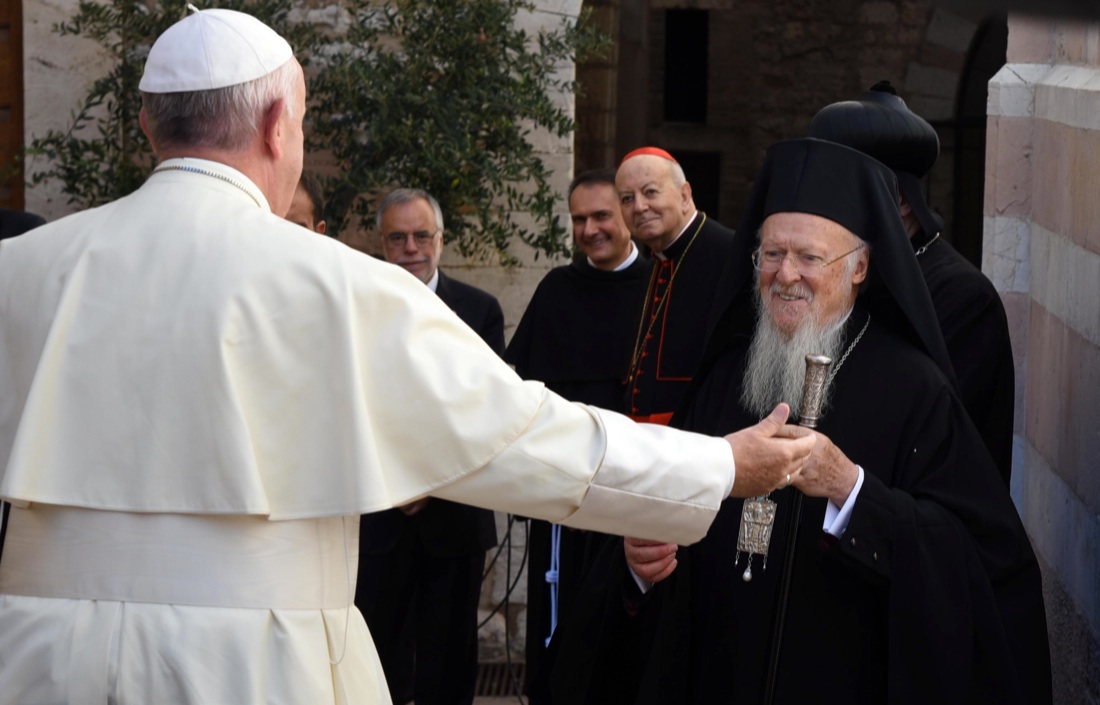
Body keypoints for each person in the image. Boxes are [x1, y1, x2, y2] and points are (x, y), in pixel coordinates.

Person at [0, 9, 816, 704]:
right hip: (251, 666)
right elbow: (520, 437)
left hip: (32, 658)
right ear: (277, 125)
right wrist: (716, 466)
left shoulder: (18, 271)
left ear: (146, 123)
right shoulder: (344, 285)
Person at [547, 138, 1051, 705]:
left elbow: (977, 561)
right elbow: (665, 527)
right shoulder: (724, 376)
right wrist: (637, 566)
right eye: (770, 254)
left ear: (860, 265)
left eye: (810, 257)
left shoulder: (915, 389)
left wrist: (851, 490)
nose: (786, 275)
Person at [810, 80, 1016, 485]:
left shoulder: (965, 298)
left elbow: (941, 442)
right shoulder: (844, 268)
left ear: (902, 201)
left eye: (849, 190)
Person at [505, 168, 653, 689]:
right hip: (563, 491)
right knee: (559, 624)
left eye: (602, 216)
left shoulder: (659, 288)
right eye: (579, 219)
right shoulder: (556, 290)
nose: (590, 229)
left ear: (628, 219)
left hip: (633, 488)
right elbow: (518, 386)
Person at [357, 187, 504, 705]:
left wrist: (429, 481)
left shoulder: (480, 310)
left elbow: (483, 408)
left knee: (449, 658)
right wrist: (398, 480)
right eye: (397, 237)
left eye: (422, 236)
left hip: (453, 513)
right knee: (376, 654)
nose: (410, 247)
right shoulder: (359, 304)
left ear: (441, 241)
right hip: (382, 513)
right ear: (382, 243)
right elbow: (356, 402)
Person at [615, 147, 735, 423]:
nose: (640, 207)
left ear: (684, 195)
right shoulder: (654, 264)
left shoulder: (730, 255)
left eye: (651, 192)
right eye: (627, 199)